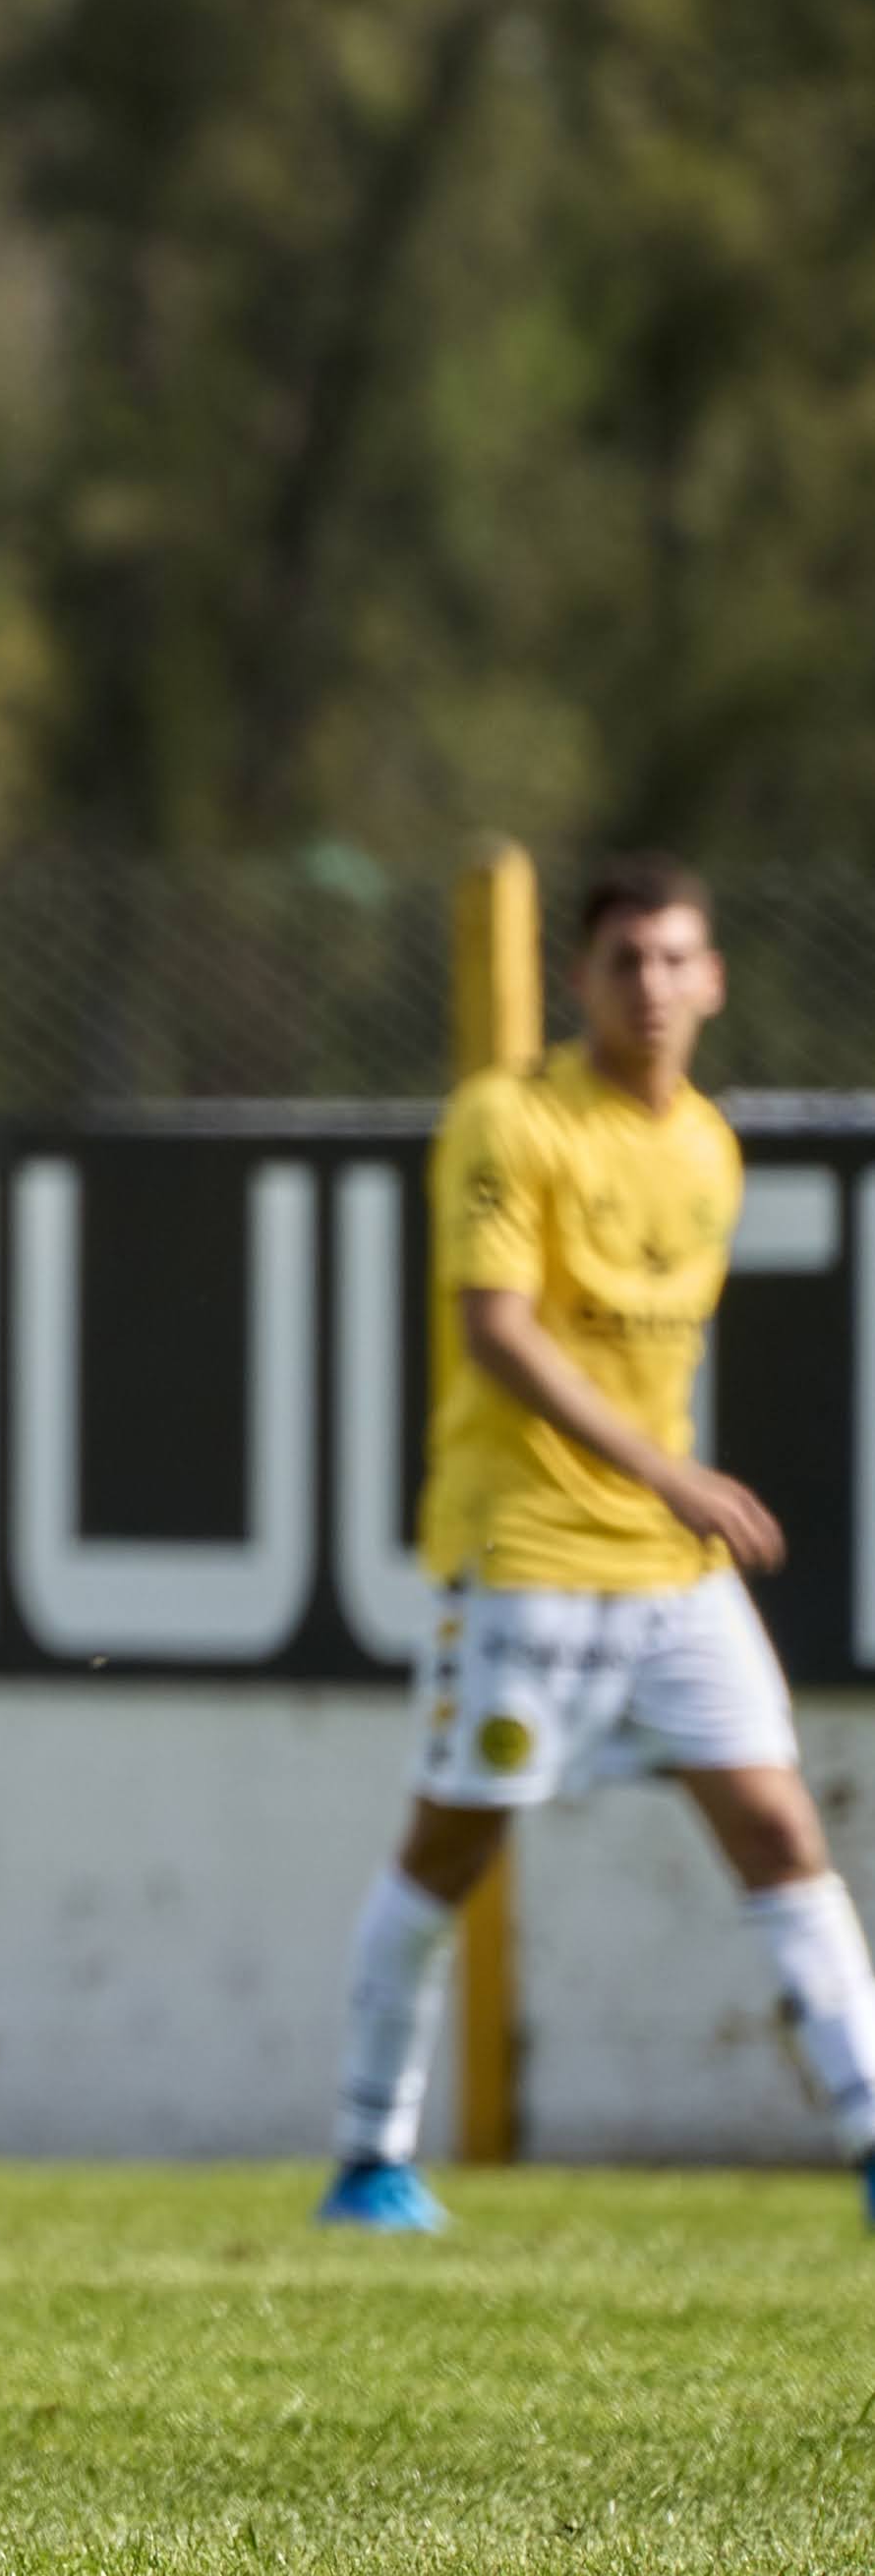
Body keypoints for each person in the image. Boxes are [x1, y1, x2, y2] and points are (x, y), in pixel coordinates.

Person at [320, 856, 875, 2234]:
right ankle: (364, 2155)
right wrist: (663, 1468)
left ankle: (869, 2137)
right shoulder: (507, 1119)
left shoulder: (707, 1147)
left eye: (672, 957)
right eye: (622, 959)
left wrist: (663, 1490)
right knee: (449, 1849)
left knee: (775, 1824)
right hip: (522, 1556)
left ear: (712, 979)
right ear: (577, 980)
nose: (648, 984)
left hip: (667, 1577)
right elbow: (493, 1327)